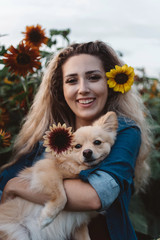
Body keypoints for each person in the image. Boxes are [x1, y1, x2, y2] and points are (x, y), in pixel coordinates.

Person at [0, 41, 151, 240]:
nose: (83, 89)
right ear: (60, 90)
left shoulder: (123, 130)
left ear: (109, 83)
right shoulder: (51, 136)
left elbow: (93, 197)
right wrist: (10, 184)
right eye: (72, 80)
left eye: (94, 78)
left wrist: (16, 186)